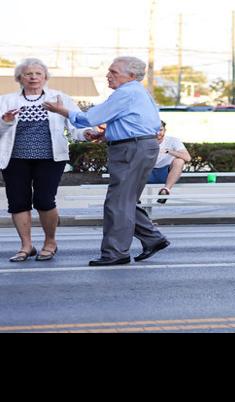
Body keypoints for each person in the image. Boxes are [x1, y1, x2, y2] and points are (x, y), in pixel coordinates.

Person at [43, 56, 168, 266]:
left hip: (131, 149)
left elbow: (91, 118)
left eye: (114, 71)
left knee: (117, 203)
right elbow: (139, 121)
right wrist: (109, 133)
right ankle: (152, 239)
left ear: (130, 75)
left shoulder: (126, 92)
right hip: (139, 146)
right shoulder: (138, 92)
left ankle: (116, 253)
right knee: (125, 201)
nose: (108, 75)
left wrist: (61, 110)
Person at [1, 58, 95, 262]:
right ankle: (26, 246)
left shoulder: (59, 97)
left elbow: (75, 124)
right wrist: (5, 122)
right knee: (18, 203)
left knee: (44, 200)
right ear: (20, 78)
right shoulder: (6, 100)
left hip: (51, 158)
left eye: (38, 73)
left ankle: (50, 242)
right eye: (28, 74)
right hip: (15, 159)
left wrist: (87, 133)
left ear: (45, 77)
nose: (33, 77)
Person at [148, 121, 191, 205]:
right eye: (154, 130)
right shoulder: (145, 142)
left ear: (165, 130)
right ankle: (134, 197)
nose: (158, 133)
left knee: (179, 161)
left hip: (166, 174)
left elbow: (188, 158)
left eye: (160, 130)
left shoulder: (173, 141)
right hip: (147, 172)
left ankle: (165, 190)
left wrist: (168, 151)